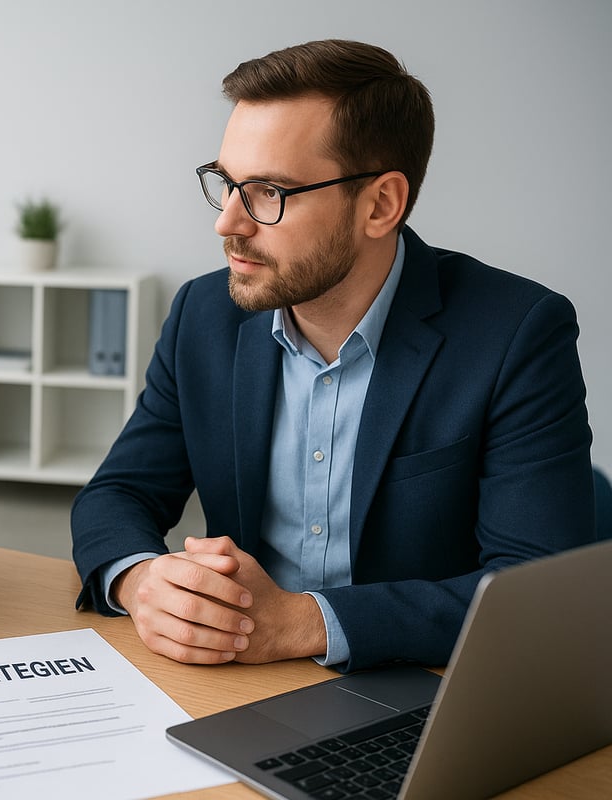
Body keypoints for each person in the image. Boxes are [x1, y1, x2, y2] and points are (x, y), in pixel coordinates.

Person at [70, 39, 594, 673]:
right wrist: (141, 579)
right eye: (227, 183)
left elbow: (531, 593)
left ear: (380, 205)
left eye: (269, 192)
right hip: (242, 681)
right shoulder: (203, 316)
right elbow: (118, 492)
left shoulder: (516, 333)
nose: (228, 223)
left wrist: (302, 622)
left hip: (421, 689)